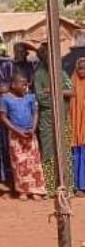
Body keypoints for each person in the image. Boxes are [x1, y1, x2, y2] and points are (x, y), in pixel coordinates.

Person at [0, 72, 47, 200]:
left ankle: (36, 190)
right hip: (15, 135)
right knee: (19, 163)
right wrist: (16, 131)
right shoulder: (5, 98)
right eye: (23, 84)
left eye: (26, 84)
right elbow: (3, 117)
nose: (25, 86)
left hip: (30, 133)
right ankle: (22, 191)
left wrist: (33, 128)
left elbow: (35, 113)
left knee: (33, 163)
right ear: (14, 85)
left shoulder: (31, 97)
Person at [35, 41, 73, 198]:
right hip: (47, 119)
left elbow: (72, 92)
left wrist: (52, 90)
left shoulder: (61, 72)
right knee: (49, 152)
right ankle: (51, 188)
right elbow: (41, 98)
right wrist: (58, 94)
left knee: (65, 152)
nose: (49, 58)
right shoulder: (39, 75)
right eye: (45, 55)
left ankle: (68, 187)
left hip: (63, 117)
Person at [0, 81, 14, 195]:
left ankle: (12, 185)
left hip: (12, 133)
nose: (3, 96)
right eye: (0, 94)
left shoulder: (13, 102)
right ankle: (2, 183)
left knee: (11, 158)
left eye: (5, 93)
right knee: (0, 158)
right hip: (0, 134)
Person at [71, 58, 85, 195]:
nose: (82, 71)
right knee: (77, 156)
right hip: (76, 125)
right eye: (80, 68)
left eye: (84, 68)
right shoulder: (72, 82)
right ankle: (78, 186)